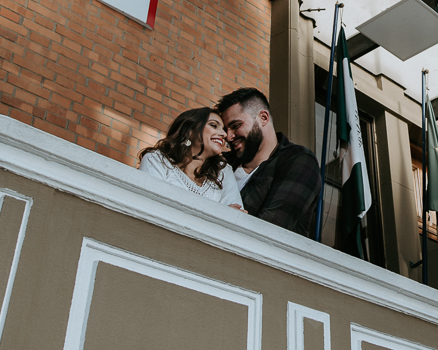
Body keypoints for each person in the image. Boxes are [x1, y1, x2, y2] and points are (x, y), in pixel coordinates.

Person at [217, 87, 321, 237]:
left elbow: (268, 231)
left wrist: (221, 217)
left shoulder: (298, 160)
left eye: (236, 126)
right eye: (226, 129)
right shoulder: (222, 163)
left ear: (263, 118)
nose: (228, 136)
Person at [138, 108, 242, 209]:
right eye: (213, 125)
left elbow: (235, 219)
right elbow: (151, 206)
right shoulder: (156, 160)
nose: (224, 134)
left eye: (223, 130)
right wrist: (219, 212)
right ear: (189, 131)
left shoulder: (223, 172)